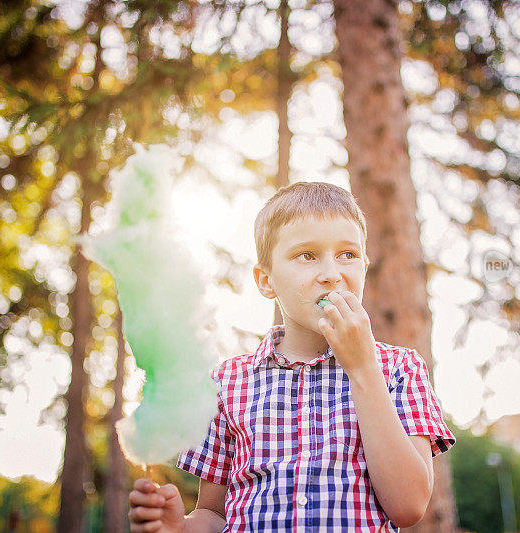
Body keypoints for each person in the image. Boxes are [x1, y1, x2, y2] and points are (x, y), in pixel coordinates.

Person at [128, 181, 455, 532]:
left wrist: (362, 368)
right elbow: (214, 514)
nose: (332, 274)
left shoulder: (400, 368)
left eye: (348, 254)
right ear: (266, 280)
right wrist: (179, 528)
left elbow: (409, 506)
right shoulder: (226, 383)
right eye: (307, 255)